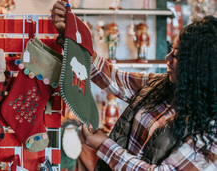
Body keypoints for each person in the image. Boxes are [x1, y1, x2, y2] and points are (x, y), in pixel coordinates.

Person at [51, 1, 217, 170]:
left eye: (176, 55)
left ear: (200, 66)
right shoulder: (162, 85)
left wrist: (104, 145)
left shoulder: (210, 136)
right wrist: (70, 36)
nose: (167, 57)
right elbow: (112, 77)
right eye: (170, 50)